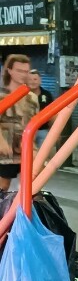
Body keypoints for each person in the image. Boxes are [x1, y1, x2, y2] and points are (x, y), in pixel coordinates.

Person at [0, 54, 38, 192]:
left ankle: (23, 212)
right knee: (3, 186)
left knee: (30, 188)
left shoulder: (32, 98)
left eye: (26, 71)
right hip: (5, 148)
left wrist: (32, 144)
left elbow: (34, 122)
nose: (23, 74)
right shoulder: (2, 95)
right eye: (19, 71)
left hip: (25, 147)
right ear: (9, 70)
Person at [28, 71, 53, 150]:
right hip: (27, 132)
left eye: (35, 79)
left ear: (40, 81)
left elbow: (53, 113)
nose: (33, 82)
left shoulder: (47, 94)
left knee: (42, 155)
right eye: (30, 80)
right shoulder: (23, 95)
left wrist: (53, 130)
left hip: (43, 130)